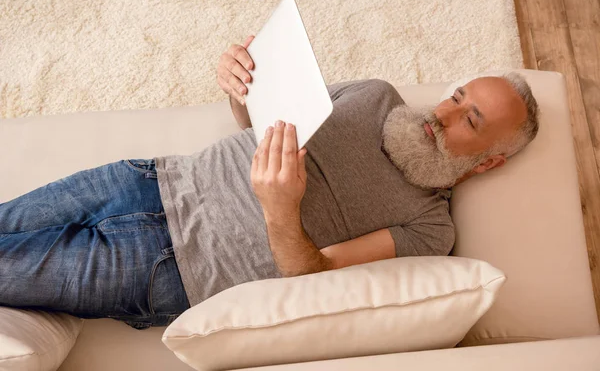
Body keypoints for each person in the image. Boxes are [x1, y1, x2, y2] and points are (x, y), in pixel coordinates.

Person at [0, 35, 540, 330]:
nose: (444, 113)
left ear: (487, 162)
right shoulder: (377, 94)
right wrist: (241, 83)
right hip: (150, 177)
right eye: (459, 95)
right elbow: (260, 120)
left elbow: (314, 274)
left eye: (469, 121)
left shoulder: (428, 228)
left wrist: (281, 207)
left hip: (170, 265)